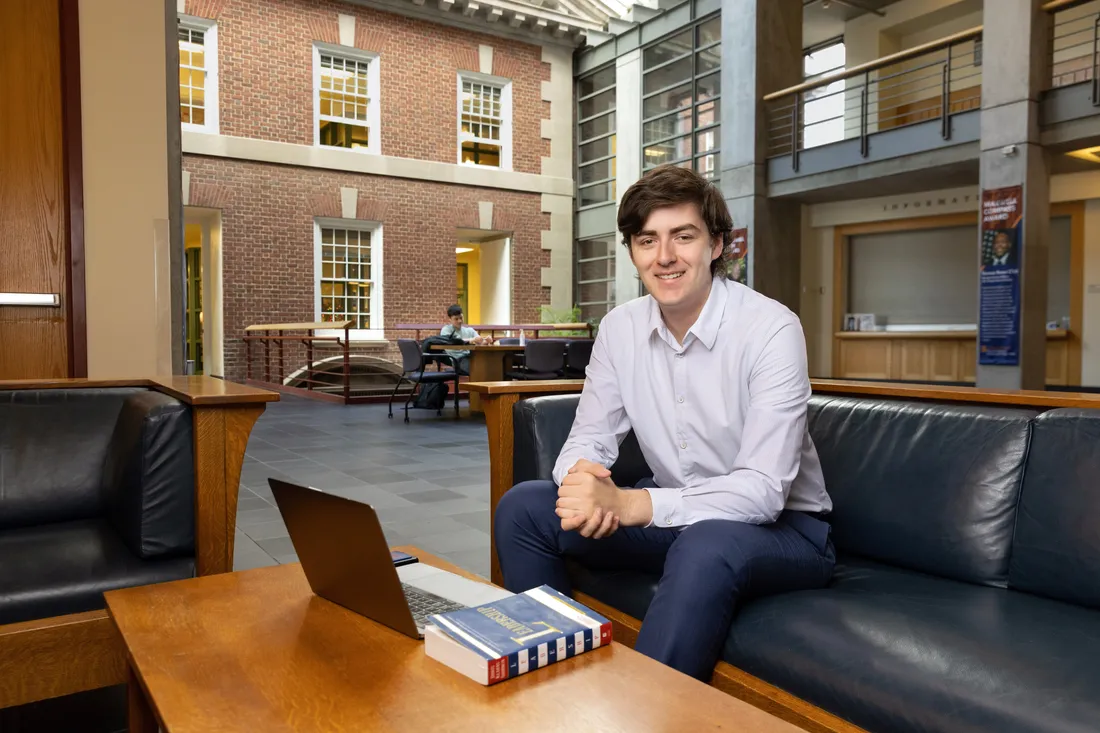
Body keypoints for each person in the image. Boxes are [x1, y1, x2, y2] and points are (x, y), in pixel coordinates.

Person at [493, 164, 835, 681]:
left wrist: (631, 503)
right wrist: (582, 482)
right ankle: (554, 687)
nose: (665, 256)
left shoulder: (771, 329)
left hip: (787, 531)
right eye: (647, 240)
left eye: (684, 236)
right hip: (677, 515)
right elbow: (590, 435)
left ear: (717, 244)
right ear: (633, 252)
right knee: (525, 508)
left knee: (707, 541)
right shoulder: (619, 328)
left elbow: (764, 492)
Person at [439, 304, 492, 376]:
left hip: (472, 357)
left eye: (461, 318)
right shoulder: (446, 330)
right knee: (479, 370)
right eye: (456, 319)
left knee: (490, 365)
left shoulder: (469, 330)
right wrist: (472, 340)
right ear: (450, 319)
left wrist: (487, 341)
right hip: (457, 360)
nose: (460, 321)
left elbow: (481, 343)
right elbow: (453, 342)